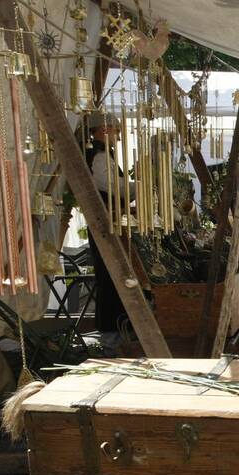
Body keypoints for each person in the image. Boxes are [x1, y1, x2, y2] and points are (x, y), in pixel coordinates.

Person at [86, 111, 133, 344]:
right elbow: (108, 184)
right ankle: (111, 335)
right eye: (115, 129)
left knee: (112, 278)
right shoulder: (99, 155)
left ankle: (115, 331)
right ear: (104, 130)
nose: (118, 134)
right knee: (110, 278)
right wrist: (136, 188)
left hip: (108, 223)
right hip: (105, 225)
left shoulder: (104, 154)